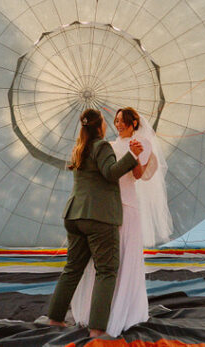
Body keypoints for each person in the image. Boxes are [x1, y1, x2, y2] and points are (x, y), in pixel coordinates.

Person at [69, 107, 173, 337]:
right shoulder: (109, 145)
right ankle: (97, 310)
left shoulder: (142, 143)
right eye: (115, 121)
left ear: (134, 122)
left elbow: (137, 175)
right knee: (104, 260)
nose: (118, 125)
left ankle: (123, 312)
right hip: (106, 209)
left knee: (124, 257)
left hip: (127, 207)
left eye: (122, 121)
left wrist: (134, 155)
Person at [46, 108, 143, 339]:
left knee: (72, 268)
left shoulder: (79, 148)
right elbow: (111, 173)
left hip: (74, 215)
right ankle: (97, 330)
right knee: (107, 271)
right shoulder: (101, 146)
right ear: (100, 127)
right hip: (98, 218)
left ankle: (54, 318)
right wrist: (132, 155)